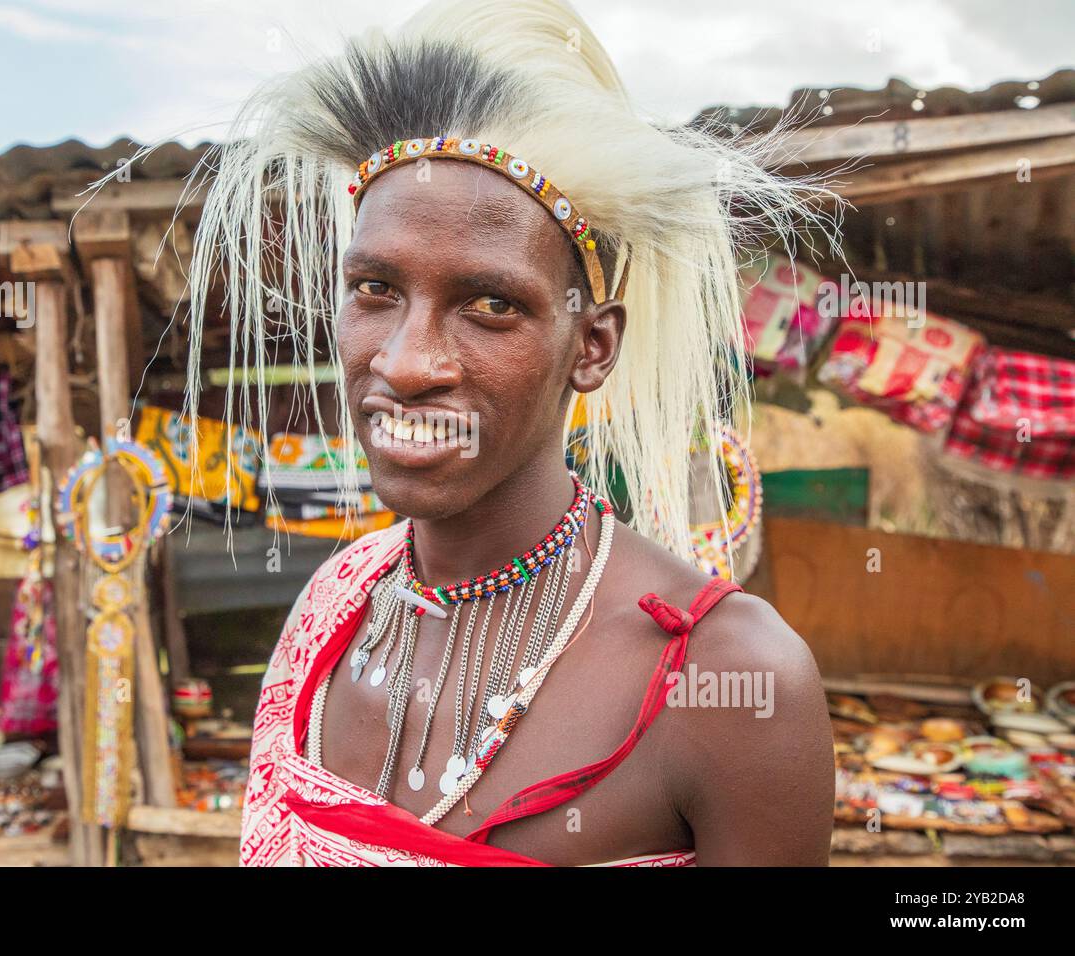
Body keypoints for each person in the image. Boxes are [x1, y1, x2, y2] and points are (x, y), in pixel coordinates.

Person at [177, 0, 838, 866]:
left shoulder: (733, 682)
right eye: (376, 289)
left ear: (591, 346)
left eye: (491, 304)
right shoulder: (331, 611)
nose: (408, 364)